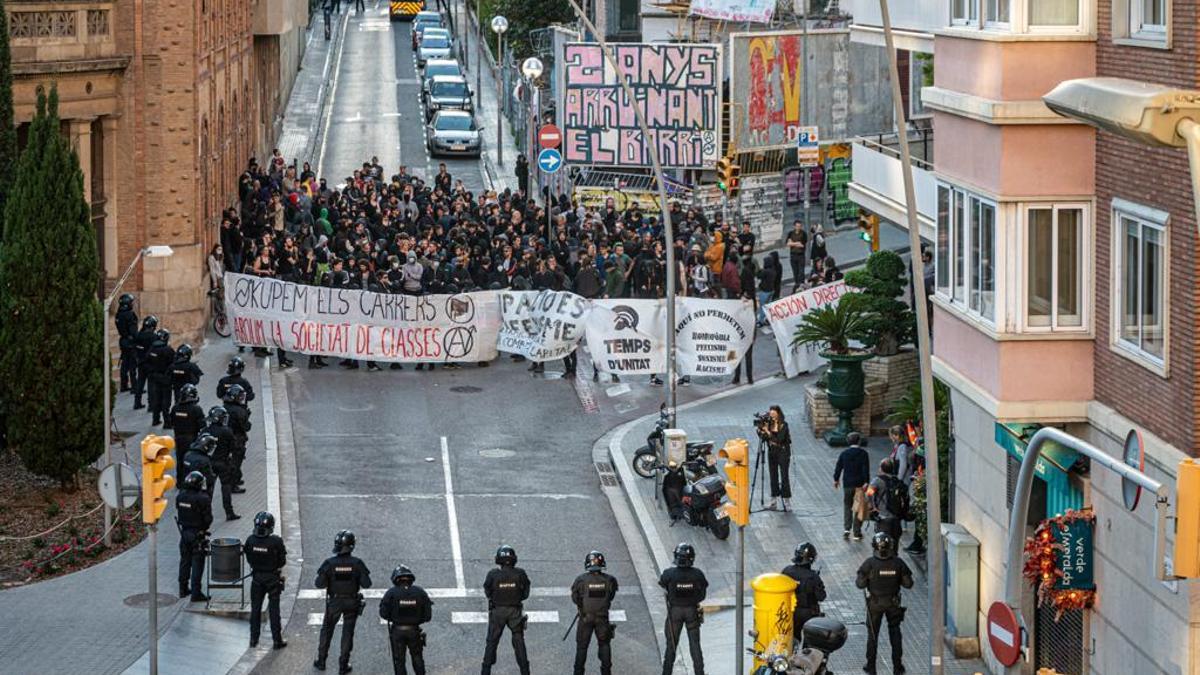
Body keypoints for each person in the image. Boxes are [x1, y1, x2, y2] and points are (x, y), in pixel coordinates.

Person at [314, 530, 372, 673]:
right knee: (347, 633)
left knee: (326, 631)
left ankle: (321, 661)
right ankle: (343, 665)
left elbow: (319, 584)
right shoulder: (357, 563)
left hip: (334, 602)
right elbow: (367, 584)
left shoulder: (329, 563)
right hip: (352, 602)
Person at [856, 533, 914, 675]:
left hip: (875, 604)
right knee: (895, 634)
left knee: (873, 636)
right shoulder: (898, 563)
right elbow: (908, 584)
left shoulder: (869, 563)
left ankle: (871, 667)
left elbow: (860, 584)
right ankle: (897, 667)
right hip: (893, 604)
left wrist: (870, 578)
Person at [481, 544, 531, 675]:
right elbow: (525, 593)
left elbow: (488, 591)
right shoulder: (520, 573)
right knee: (519, 643)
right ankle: (525, 671)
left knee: (492, 642)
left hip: (497, 612)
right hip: (514, 612)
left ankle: (485, 671)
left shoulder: (493, 574)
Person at [659, 542, 707, 675]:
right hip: (691, 611)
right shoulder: (698, 574)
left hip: (675, 612)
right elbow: (703, 592)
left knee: (671, 646)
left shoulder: (669, 573)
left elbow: (662, 583)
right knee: (695, 645)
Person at [244, 511, 288, 649]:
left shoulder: (250, 540)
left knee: (255, 610)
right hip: (272, 578)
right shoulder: (276, 541)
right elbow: (282, 561)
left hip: (257, 578)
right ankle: (277, 640)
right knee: (274, 610)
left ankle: (253, 639)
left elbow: (248, 557)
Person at [379, 564, 433, 675]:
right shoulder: (420, 592)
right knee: (417, 658)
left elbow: (383, 613)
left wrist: (395, 618)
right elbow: (428, 616)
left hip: (397, 632)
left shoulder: (391, 593)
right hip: (414, 632)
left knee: (399, 661)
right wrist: (417, 620)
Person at [570, 550, 618, 675]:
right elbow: (611, 596)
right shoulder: (610, 580)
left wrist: (583, 606)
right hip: (602, 618)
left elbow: (575, 598)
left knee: (582, 648)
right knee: (604, 645)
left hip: (585, 618)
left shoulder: (581, 580)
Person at [175, 470, 213, 602]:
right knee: (197, 564)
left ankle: (182, 588)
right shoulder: (203, 498)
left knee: (185, 561)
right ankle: (196, 593)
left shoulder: (180, 496)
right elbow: (208, 519)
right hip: (198, 535)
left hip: (184, 533)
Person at [203, 406, 240, 520]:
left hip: (209, 463)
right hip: (223, 463)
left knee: (209, 489)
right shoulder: (227, 431)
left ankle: (205, 513)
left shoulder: (206, 431)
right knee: (226, 487)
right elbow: (234, 448)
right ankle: (229, 512)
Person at [834, 431, 871, 540]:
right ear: (859, 441)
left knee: (847, 505)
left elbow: (838, 467)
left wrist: (836, 479)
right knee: (859, 507)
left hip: (847, 484)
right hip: (859, 485)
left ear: (847, 441)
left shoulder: (844, 454)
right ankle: (856, 532)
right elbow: (865, 469)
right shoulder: (864, 454)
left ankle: (846, 528)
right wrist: (866, 482)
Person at [781, 542, 826, 632]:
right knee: (810, 639)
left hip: (790, 610)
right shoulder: (813, 577)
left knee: (792, 637)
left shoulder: (786, 570)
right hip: (809, 613)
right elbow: (821, 597)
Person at [757, 406, 792, 510]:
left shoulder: (784, 425)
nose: (771, 416)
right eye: (770, 414)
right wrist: (760, 431)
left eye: (773, 414)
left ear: (778, 414)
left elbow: (779, 439)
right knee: (773, 476)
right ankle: (773, 502)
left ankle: (786, 501)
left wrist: (768, 432)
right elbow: (763, 439)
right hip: (772, 452)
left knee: (784, 476)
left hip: (783, 452)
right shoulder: (769, 424)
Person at [868, 457, 906, 546]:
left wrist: (873, 507)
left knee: (883, 544)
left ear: (881, 468)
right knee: (895, 543)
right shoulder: (897, 481)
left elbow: (869, 494)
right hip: (896, 518)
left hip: (883, 518)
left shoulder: (877, 481)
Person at [224, 384, 252, 493]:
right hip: (237, 439)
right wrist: (247, 417)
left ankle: (235, 479)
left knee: (231, 461)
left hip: (227, 439)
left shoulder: (225, 407)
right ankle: (233, 485)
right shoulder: (240, 411)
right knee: (236, 462)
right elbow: (246, 426)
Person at [145, 328, 176, 426]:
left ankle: (155, 419)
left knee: (157, 399)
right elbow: (173, 364)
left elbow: (147, 362)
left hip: (155, 377)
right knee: (166, 401)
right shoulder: (168, 350)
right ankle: (167, 422)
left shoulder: (152, 349)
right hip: (165, 379)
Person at [169, 384, 206, 452]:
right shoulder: (196, 409)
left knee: (180, 459)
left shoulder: (175, 408)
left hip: (178, 438)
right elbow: (202, 425)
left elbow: (171, 422)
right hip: (192, 439)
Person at [132, 315, 158, 409]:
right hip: (150, 364)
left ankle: (137, 402)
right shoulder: (153, 336)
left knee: (140, 383)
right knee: (151, 384)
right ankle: (151, 405)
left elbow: (135, 347)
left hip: (140, 362)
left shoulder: (139, 334)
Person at [169, 344, 204, 413]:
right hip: (190, 391)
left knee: (178, 404)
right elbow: (198, 375)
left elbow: (168, 377)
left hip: (177, 390)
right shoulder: (191, 366)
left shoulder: (173, 366)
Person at [115, 293, 138, 392]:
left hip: (123, 341)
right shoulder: (129, 314)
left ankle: (123, 386)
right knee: (132, 365)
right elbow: (133, 331)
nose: (132, 304)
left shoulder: (118, 314)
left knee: (124, 365)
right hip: (130, 342)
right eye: (131, 302)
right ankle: (134, 386)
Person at [785, 220, 807, 293]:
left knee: (801, 271)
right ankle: (797, 285)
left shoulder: (803, 234)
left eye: (800, 226)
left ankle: (802, 284)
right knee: (795, 271)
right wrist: (796, 243)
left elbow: (802, 245)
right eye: (797, 226)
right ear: (794, 226)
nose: (798, 227)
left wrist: (792, 243)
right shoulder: (790, 233)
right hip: (793, 255)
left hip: (801, 255)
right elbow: (788, 244)